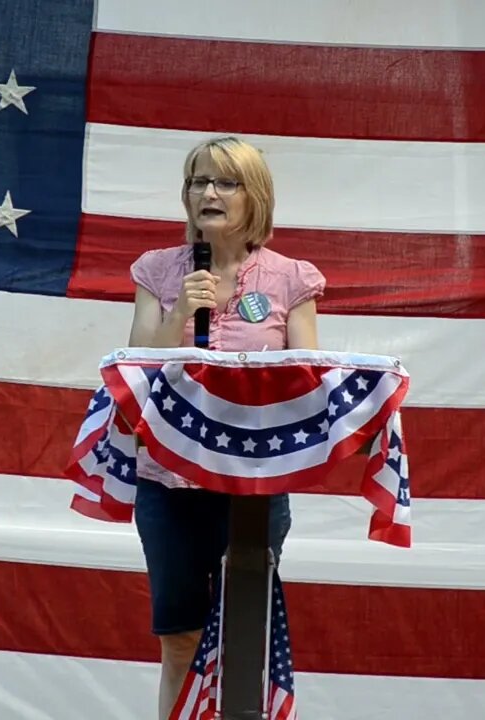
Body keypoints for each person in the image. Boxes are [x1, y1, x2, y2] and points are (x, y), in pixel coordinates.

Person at [125, 136, 326, 718]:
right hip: (169, 484)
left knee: (244, 635)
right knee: (180, 638)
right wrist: (180, 313)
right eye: (196, 181)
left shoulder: (292, 279)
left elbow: (308, 385)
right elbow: (135, 373)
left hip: (252, 490)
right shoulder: (159, 270)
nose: (206, 193)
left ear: (253, 195)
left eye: (223, 182)